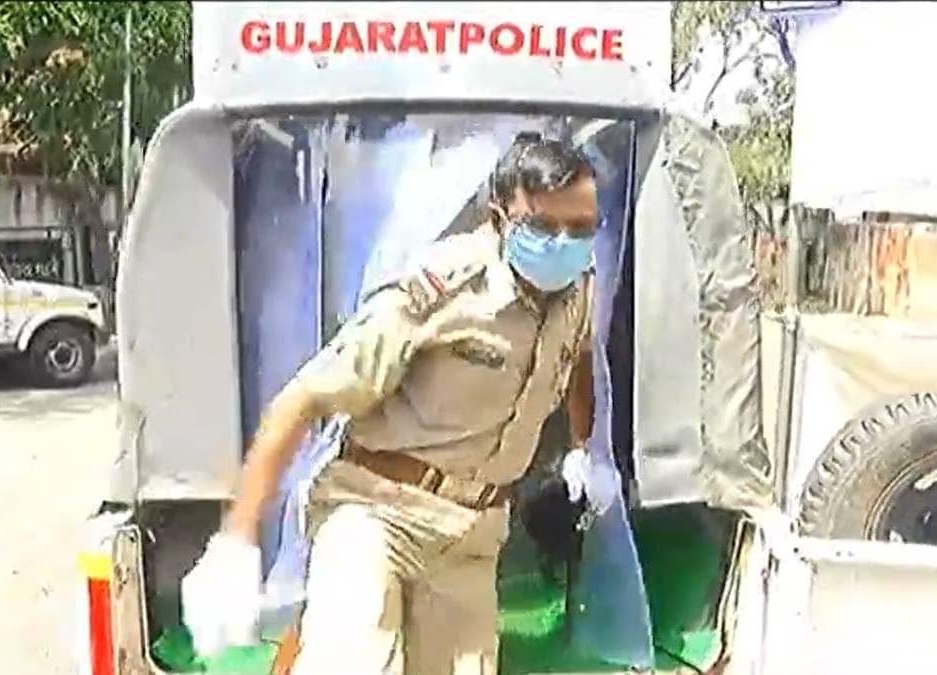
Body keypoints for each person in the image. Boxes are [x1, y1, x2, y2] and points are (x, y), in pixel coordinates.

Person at [182, 136, 614, 675]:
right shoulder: (444, 290)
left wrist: (582, 448)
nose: (564, 243)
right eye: (544, 227)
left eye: (581, 229)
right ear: (499, 216)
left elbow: (576, 359)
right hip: (375, 514)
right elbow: (303, 398)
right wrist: (238, 537)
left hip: (471, 540)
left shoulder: (578, 291)